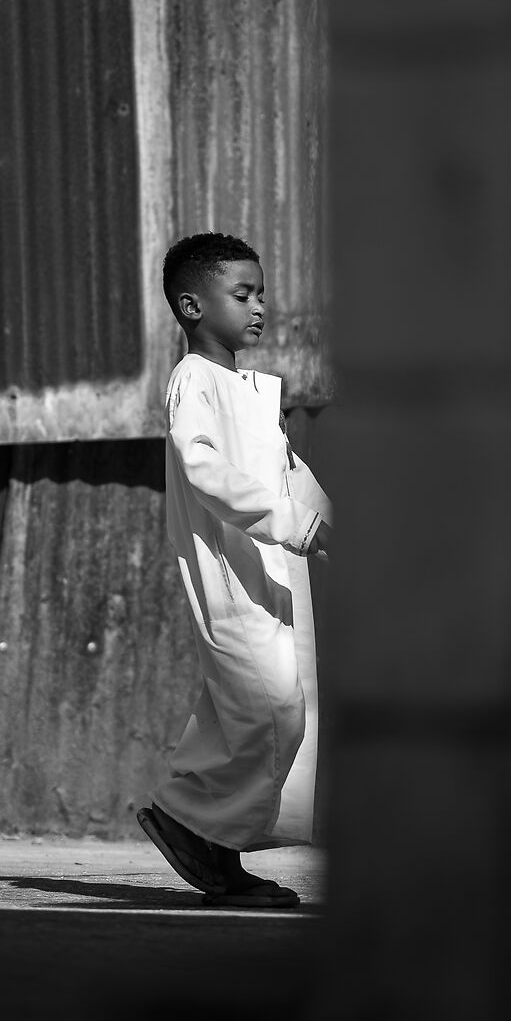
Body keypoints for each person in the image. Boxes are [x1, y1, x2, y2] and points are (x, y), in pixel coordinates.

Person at [136, 231, 330, 909]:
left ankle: (206, 839)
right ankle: (192, 826)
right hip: (228, 572)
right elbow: (205, 469)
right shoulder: (194, 381)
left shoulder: (244, 388)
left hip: (269, 571)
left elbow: (285, 472)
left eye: (261, 294)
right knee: (274, 710)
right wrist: (295, 523)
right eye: (242, 294)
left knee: (247, 712)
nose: (259, 307)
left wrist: (324, 519)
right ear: (192, 306)